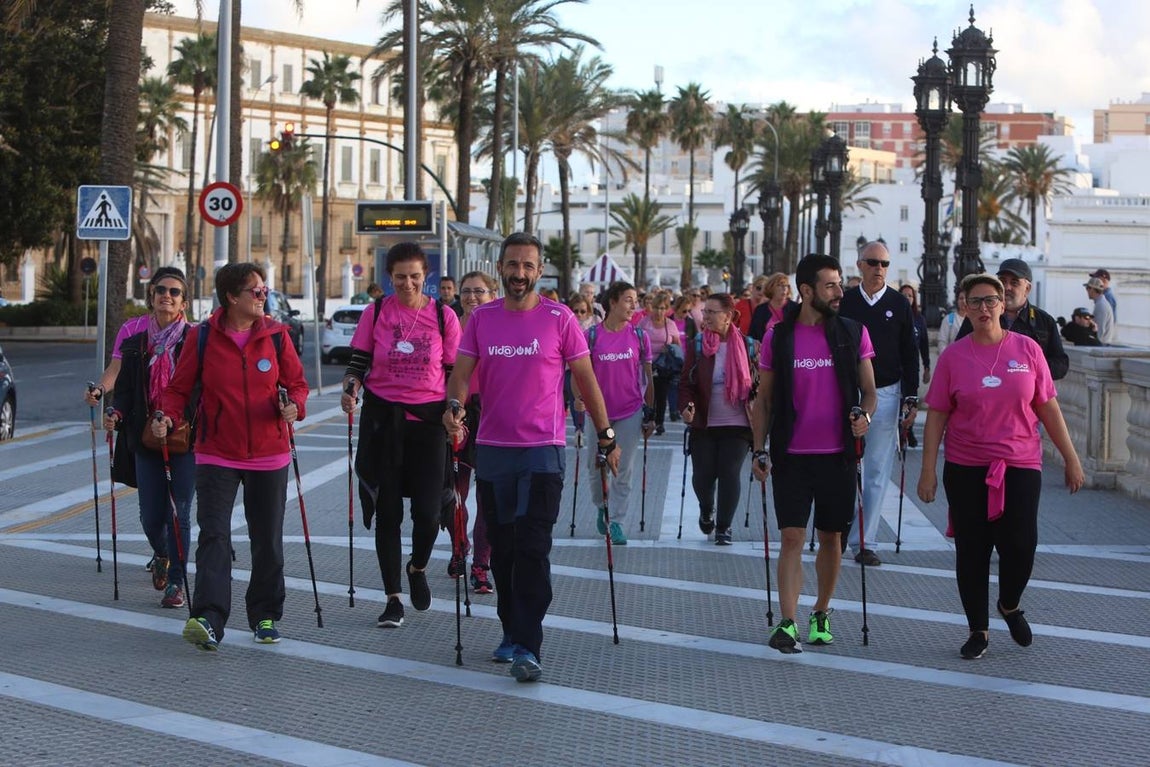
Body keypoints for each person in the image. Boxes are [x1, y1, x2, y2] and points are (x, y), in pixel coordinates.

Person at [444, 232, 619, 684]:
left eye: (527, 266)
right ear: (500, 268)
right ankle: (511, 629)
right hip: (495, 452)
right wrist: (454, 411)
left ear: (539, 272)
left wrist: (606, 435)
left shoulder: (560, 319)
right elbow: (460, 378)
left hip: (544, 452)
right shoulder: (481, 319)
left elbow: (586, 381)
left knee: (533, 548)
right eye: (512, 265)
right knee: (502, 551)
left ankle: (528, 643)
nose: (518, 274)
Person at [917, 273, 1084, 660]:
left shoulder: (1027, 350)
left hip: (1020, 462)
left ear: (1002, 304)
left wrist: (1071, 458)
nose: (983, 308)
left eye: (990, 300)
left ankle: (1009, 604)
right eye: (974, 302)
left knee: (1021, 544)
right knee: (972, 550)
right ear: (965, 307)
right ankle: (979, 629)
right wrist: (928, 471)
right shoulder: (955, 357)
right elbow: (938, 414)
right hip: (966, 465)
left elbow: (1048, 407)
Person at [153, 262, 309, 651]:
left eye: (264, 290)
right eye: (255, 291)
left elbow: (297, 385)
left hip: (269, 454)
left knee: (267, 540)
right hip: (216, 453)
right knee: (214, 536)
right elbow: (178, 389)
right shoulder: (202, 337)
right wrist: (166, 416)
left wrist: (296, 407)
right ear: (232, 297)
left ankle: (265, 615)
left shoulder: (276, 336)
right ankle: (209, 617)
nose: (263, 296)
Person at [751, 254, 877, 653]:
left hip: (839, 453)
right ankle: (787, 623)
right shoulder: (779, 337)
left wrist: (865, 418)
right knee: (791, 536)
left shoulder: (852, 333)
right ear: (806, 292)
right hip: (791, 454)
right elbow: (764, 401)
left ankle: (821, 611)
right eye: (831, 286)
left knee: (831, 536)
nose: (840, 292)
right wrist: (758, 449)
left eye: (841, 284)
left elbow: (869, 392)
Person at [341, 242, 462, 629]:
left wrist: (454, 409)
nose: (407, 283)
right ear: (388, 278)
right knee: (388, 513)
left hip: (429, 423)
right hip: (382, 421)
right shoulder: (376, 312)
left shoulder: (444, 317)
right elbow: (358, 361)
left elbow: (455, 372)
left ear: (425, 276)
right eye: (399, 277)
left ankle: (418, 566)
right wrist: (350, 386)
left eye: (414, 276)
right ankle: (392, 598)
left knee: (427, 513)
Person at [107, 267, 194, 609]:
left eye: (174, 292)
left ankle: (176, 583)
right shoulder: (134, 344)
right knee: (150, 517)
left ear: (184, 302)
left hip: (185, 440)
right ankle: (162, 553)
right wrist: (116, 412)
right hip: (145, 438)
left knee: (180, 513)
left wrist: (174, 419)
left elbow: (201, 391)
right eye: (161, 290)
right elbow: (126, 392)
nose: (166, 296)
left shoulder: (194, 341)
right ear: (151, 297)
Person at [838, 241, 919, 566]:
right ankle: (835, 532)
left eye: (884, 263)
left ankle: (865, 541)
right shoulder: (845, 302)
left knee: (875, 469)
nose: (878, 268)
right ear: (859, 265)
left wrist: (910, 397)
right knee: (840, 465)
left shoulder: (899, 304)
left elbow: (910, 352)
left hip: (885, 393)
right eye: (872, 262)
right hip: (844, 393)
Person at [576, 281, 655, 545]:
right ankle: (602, 505)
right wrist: (578, 398)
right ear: (612, 303)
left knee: (624, 468)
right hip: (598, 414)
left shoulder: (639, 336)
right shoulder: (592, 336)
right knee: (595, 465)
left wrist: (650, 413)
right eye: (629, 300)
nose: (634, 306)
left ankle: (617, 521)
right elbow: (579, 373)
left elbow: (647, 377)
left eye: (635, 301)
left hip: (630, 411)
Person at [678, 293, 755, 546]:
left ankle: (724, 527)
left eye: (712, 312)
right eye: (705, 311)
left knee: (730, 472)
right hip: (705, 422)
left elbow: (762, 384)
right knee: (702, 476)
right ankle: (706, 508)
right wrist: (687, 407)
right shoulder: (698, 345)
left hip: (739, 423)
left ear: (729, 315)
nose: (706, 316)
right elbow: (686, 384)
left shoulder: (748, 346)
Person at [451, 271, 498, 594]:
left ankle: (482, 564)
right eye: (466, 291)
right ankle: (459, 547)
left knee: (489, 496)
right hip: (459, 413)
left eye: (479, 291)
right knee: (456, 492)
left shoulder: (502, 325)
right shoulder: (450, 325)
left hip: (494, 413)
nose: (471, 297)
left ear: (492, 294)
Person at [955, 258, 1068, 380]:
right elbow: (959, 353)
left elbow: (1060, 364)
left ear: (1027, 288)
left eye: (1014, 283)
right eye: (1003, 281)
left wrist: (1026, 369)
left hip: (1028, 395)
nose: (1007, 287)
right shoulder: (979, 315)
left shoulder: (1044, 321)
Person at [638, 291, 681, 435]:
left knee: (662, 395)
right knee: (648, 393)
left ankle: (660, 423)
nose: (659, 311)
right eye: (657, 308)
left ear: (667, 309)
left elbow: (677, 345)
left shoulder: (670, 324)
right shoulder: (645, 322)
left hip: (664, 366)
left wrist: (669, 349)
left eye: (663, 308)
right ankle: (648, 418)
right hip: (646, 364)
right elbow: (635, 341)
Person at [749, 272, 796, 342]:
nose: (784, 288)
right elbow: (752, 336)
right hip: (765, 350)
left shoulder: (795, 308)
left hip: (790, 351)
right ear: (771, 287)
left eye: (786, 286)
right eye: (780, 285)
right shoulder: (761, 310)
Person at [1084, 277, 1115, 345]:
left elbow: (1100, 331)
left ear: (1092, 289)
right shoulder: (1101, 303)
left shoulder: (1101, 305)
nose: (1087, 291)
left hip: (1101, 346)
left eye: (1087, 288)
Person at [937, 288, 967, 357]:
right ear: (957, 301)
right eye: (961, 298)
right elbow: (942, 342)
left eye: (966, 298)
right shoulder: (949, 319)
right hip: (954, 359)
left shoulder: (975, 320)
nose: (964, 301)